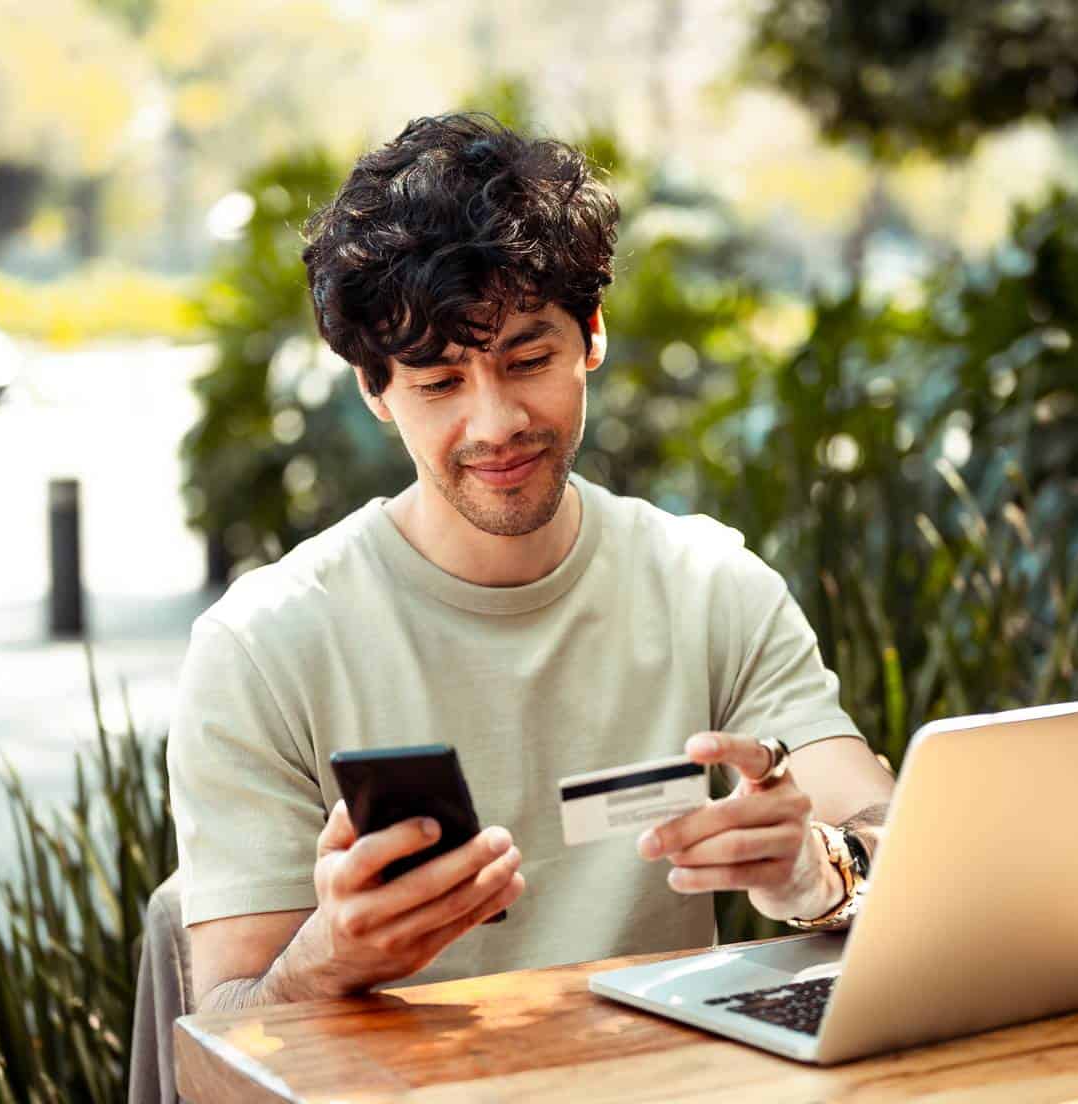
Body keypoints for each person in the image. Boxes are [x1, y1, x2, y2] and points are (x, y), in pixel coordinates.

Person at [171, 112, 897, 1013]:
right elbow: (220, 1032)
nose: (495, 423)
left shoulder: (710, 587)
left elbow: (892, 845)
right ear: (375, 390)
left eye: (528, 358)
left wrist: (816, 872)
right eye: (437, 383)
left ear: (590, 335)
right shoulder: (263, 645)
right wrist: (327, 959)